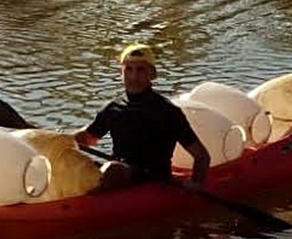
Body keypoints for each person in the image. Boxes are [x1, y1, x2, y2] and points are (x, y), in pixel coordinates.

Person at [74, 43, 211, 192]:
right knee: (78, 164)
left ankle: (90, 200)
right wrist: (55, 141)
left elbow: (202, 156)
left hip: (153, 178)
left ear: (152, 74)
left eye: (140, 70)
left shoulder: (168, 111)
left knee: (114, 169)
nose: (133, 77)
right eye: (129, 70)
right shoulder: (113, 109)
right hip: (120, 172)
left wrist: (196, 182)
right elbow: (87, 138)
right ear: (121, 73)